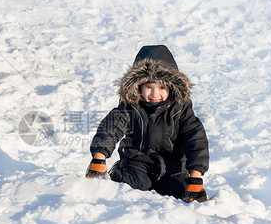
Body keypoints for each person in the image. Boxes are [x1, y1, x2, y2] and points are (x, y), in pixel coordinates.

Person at [85, 45, 209, 202]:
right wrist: (99, 157)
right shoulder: (130, 106)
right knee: (125, 191)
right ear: (138, 86)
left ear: (172, 87)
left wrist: (196, 176)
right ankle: (118, 173)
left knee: (180, 195)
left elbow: (196, 139)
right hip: (137, 165)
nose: (155, 94)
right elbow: (111, 127)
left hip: (173, 169)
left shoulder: (181, 109)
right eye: (149, 87)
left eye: (162, 87)